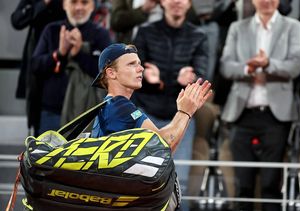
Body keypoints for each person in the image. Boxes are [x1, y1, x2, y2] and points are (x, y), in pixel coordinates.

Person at [90, 43, 212, 210]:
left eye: (139, 63)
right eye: (131, 64)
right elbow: (163, 146)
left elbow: (165, 151)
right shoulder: (119, 106)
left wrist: (187, 113)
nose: (140, 69)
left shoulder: (115, 106)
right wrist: (185, 112)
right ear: (111, 73)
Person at [219, 0, 300, 210]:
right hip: (242, 113)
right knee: (242, 187)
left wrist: (268, 64)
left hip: (276, 117)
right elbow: (226, 66)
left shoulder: (293, 26)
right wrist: (248, 68)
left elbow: (296, 66)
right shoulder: (237, 28)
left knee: (270, 187)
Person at [132, 0, 208, 204]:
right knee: (142, 178)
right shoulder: (145, 32)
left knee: (179, 181)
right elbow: (131, 74)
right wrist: (147, 78)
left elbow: (204, 78)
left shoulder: (198, 36)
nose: (176, 1)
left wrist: (191, 80)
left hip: (182, 116)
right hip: (147, 113)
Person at [31, 0, 112, 134]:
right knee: (49, 156)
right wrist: (60, 53)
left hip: (88, 116)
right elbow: (35, 66)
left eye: (84, 2)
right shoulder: (51, 30)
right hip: (52, 113)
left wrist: (79, 53)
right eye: (73, 2)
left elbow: (108, 74)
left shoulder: (101, 34)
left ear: (92, 6)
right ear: (64, 4)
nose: (79, 7)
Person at [11, 0, 66, 135]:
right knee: (37, 107)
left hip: (65, 59)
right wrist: (43, 3)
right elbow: (17, 20)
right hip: (39, 59)